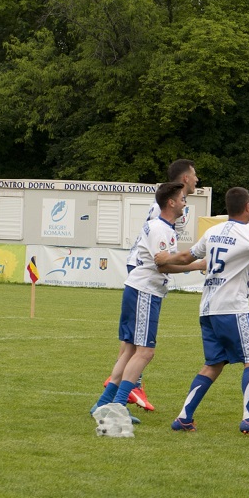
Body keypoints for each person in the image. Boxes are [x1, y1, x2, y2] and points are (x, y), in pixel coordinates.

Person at [154, 187, 249, 437]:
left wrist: (162, 259)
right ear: (248, 207)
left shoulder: (212, 232)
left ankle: (183, 417)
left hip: (208, 309)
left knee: (213, 364)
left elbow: (185, 257)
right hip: (233, 308)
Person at [91, 182, 201, 436]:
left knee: (130, 349)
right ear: (171, 202)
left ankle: (104, 403)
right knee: (145, 352)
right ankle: (117, 405)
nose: (185, 203)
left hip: (141, 291)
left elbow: (164, 263)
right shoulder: (160, 228)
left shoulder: (165, 228)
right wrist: (195, 264)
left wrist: (191, 263)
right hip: (144, 293)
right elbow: (162, 265)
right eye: (182, 199)